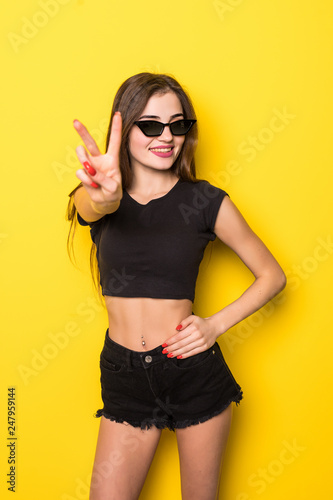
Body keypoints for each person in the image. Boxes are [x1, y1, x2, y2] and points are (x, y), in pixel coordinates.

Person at [66, 72, 286, 500]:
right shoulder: (95, 194)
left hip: (192, 374)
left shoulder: (205, 201)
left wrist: (214, 326)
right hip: (124, 376)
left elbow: (272, 276)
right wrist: (107, 192)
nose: (166, 136)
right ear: (125, 129)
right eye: (150, 125)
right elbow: (97, 206)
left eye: (177, 124)